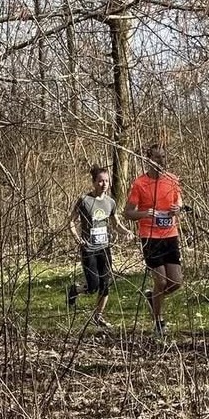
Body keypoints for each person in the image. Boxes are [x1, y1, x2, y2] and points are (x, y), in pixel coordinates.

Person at [124, 144, 184, 336]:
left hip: (170, 235)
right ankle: (158, 321)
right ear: (148, 159)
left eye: (163, 157)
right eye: (157, 158)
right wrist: (144, 213)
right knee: (161, 281)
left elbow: (179, 202)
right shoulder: (140, 183)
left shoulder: (172, 180)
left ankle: (153, 298)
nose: (161, 161)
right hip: (150, 237)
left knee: (175, 282)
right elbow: (128, 212)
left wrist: (178, 209)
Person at [67, 165, 132, 327]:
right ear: (94, 182)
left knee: (105, 284)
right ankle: (76, 289)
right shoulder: (84, 201)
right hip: (89, 249)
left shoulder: (110, 202)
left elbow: (116, 224)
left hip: (104, 248)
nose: (104, 184)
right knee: (93, 286)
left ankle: (98, 316)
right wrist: (77, 238)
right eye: (100, 181)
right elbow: (70, 221)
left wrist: (127, 232)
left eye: (107, 181)